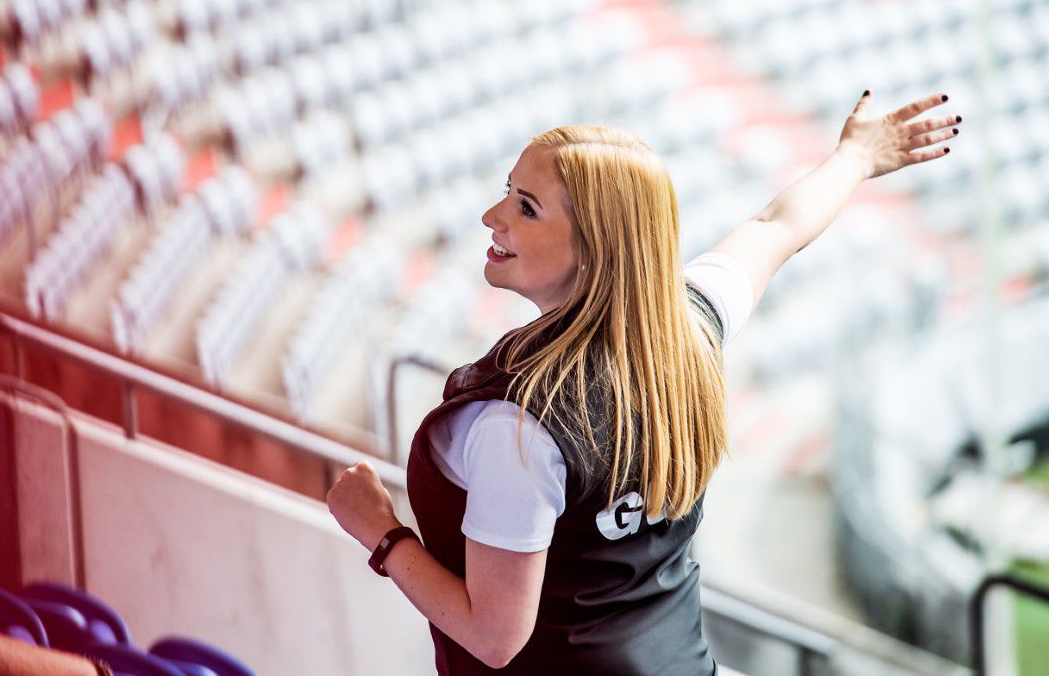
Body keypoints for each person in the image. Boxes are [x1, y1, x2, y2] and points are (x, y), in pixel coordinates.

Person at [327, 90, 959, 673]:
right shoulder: (686, 328)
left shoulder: (519, 430)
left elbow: (494, 637)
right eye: (507, 191)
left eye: (526, 207)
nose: (492, 216)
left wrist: (381, 533)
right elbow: (776, 228)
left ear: (594, 246)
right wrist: (856, 157)